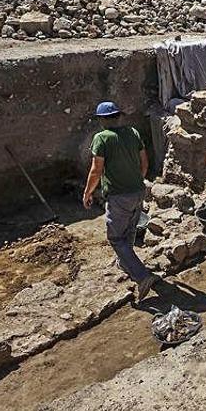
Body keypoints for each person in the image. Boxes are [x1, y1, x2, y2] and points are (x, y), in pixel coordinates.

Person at [82, 101, 159, 301]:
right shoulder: (133, 132)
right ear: (118, 116)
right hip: (138, 191)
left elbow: (96, 170)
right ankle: (127, 263)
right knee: (131, 230)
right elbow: (145, 162)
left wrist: (88, 192)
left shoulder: (101, 138)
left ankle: (142, 276)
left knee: (115, 237)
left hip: (119, 196)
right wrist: (138, 180)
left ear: (101, 120)